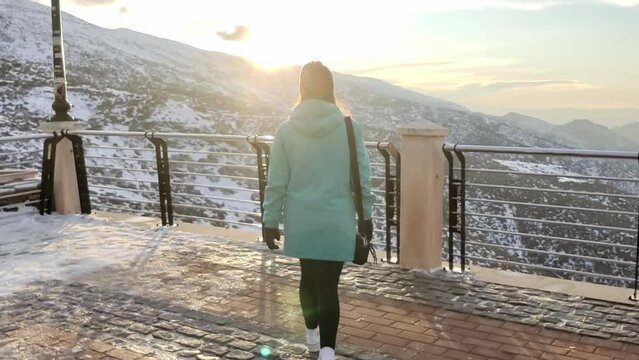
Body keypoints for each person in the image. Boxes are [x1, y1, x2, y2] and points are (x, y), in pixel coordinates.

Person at [261, 61, 374, 360]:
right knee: (329, 286)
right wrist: (367, 217)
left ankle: (311, 338)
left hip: (302, 220)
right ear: (330, 88)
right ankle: (327, 353)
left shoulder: (286, 131)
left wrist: (269, 221)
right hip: (336, 221)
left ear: (302, 88)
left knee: (308, 277)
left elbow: (276, 183)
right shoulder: (350, 129)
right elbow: (362, 179)